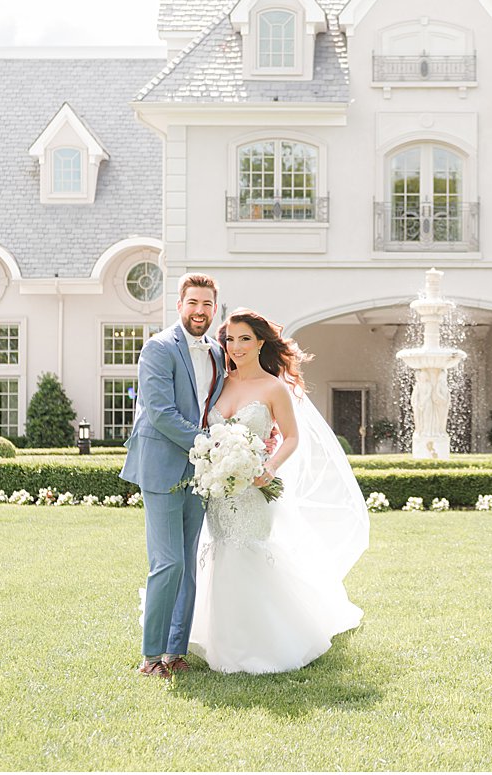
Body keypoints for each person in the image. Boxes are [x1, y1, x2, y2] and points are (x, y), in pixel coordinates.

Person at [185, 307, 369, 674]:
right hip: (219, 491)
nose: (236, 347)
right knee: (220, 553)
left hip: (254, 488)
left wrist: (267, 467)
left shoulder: (274, 387)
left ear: (260, 343)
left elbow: (292, 437)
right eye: (230, 340)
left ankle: (263, 644)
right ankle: (224, 642)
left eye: (245, 339)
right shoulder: (219, 383)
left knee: (248, 552)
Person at [120, 273, 226, 679]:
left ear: (215, 309)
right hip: (162, 465)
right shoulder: (158, 348)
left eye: (207, 305)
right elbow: (161, 413)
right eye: (193, 303)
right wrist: (208, 443)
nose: (200, 311)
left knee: (188, 562)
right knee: (167, 563)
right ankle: (150, 657)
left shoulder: (217, 352)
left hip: (202, 473)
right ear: (179, 305)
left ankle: (175, 652)